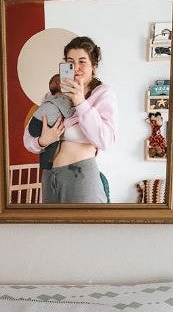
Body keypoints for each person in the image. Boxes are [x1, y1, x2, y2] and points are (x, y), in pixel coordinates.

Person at [23, 36, 117, 203]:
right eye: (70, 62)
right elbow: (28, 138)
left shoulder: (102, 94)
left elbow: (106, 140)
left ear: (93, 66)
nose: (76, 68)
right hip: (49, 176)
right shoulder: (52, 95)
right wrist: (43, 141)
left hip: (80, 176)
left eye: (82, 62)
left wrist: (80, 101)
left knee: (85, 221)